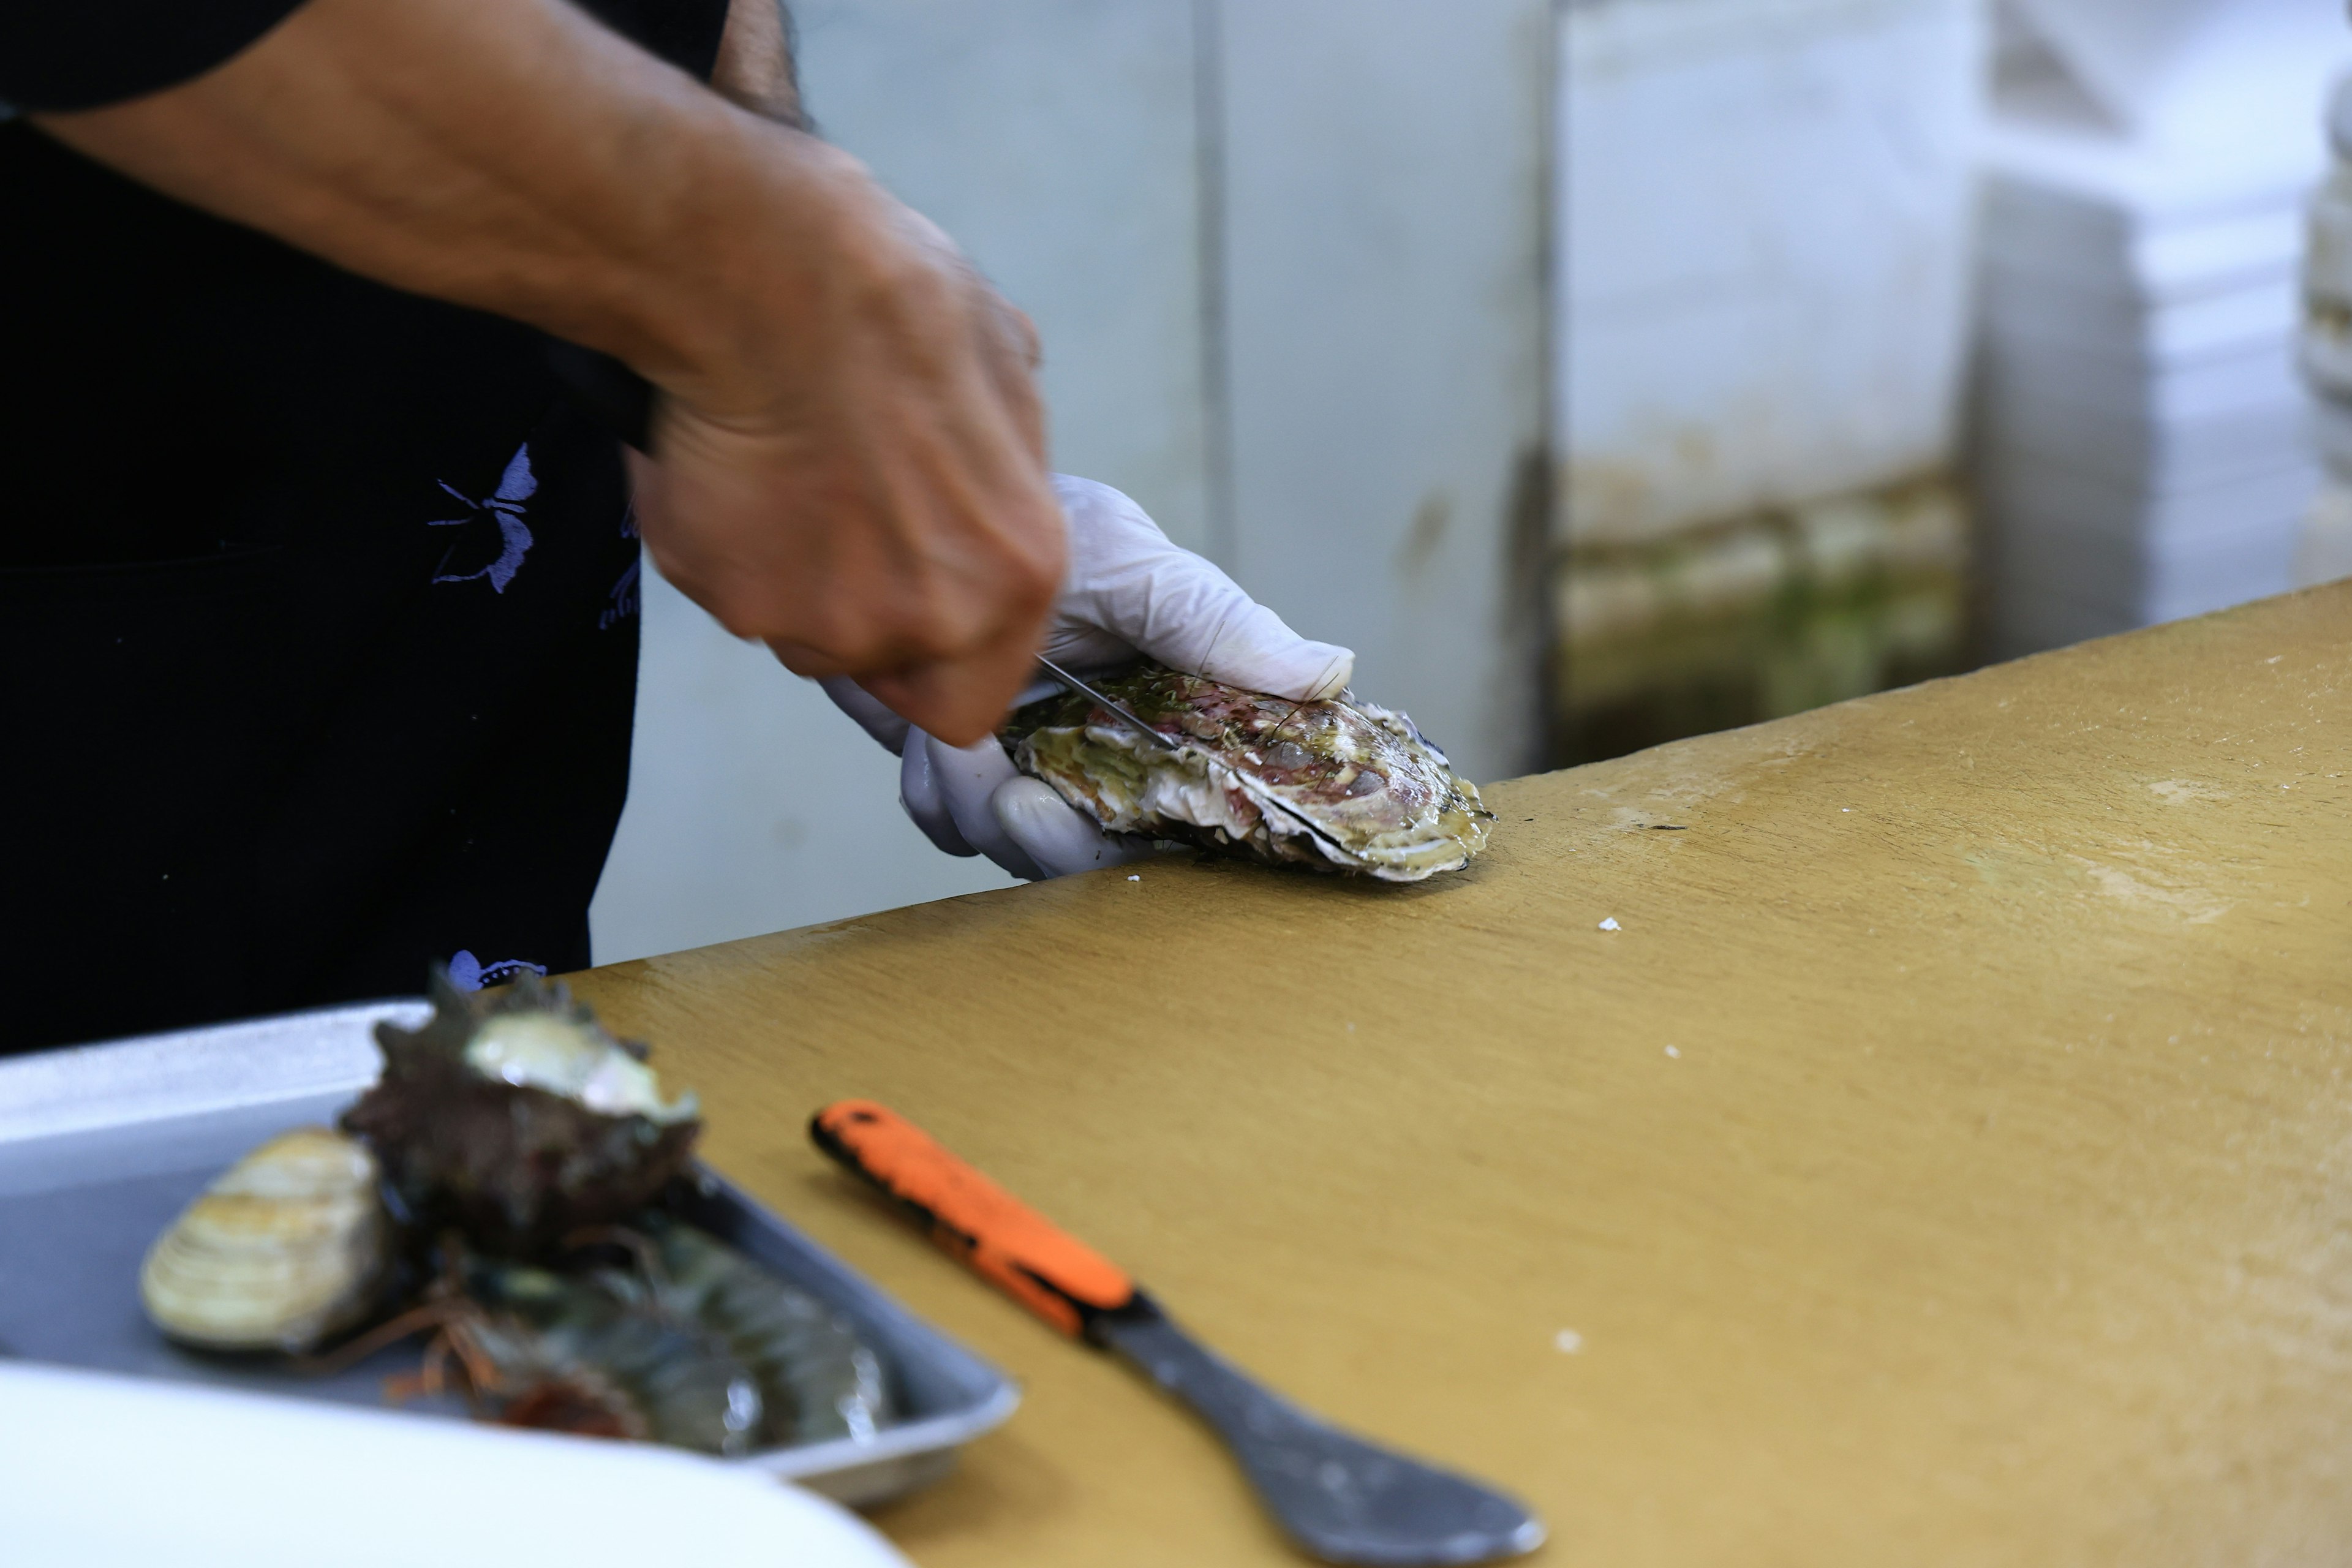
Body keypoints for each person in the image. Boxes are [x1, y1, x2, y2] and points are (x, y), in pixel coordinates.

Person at [0, 0, 1350, 1054]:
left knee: (478, 1180)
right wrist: (750, 280)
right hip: (92, 463)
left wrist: (752, 151)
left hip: (476, 481)